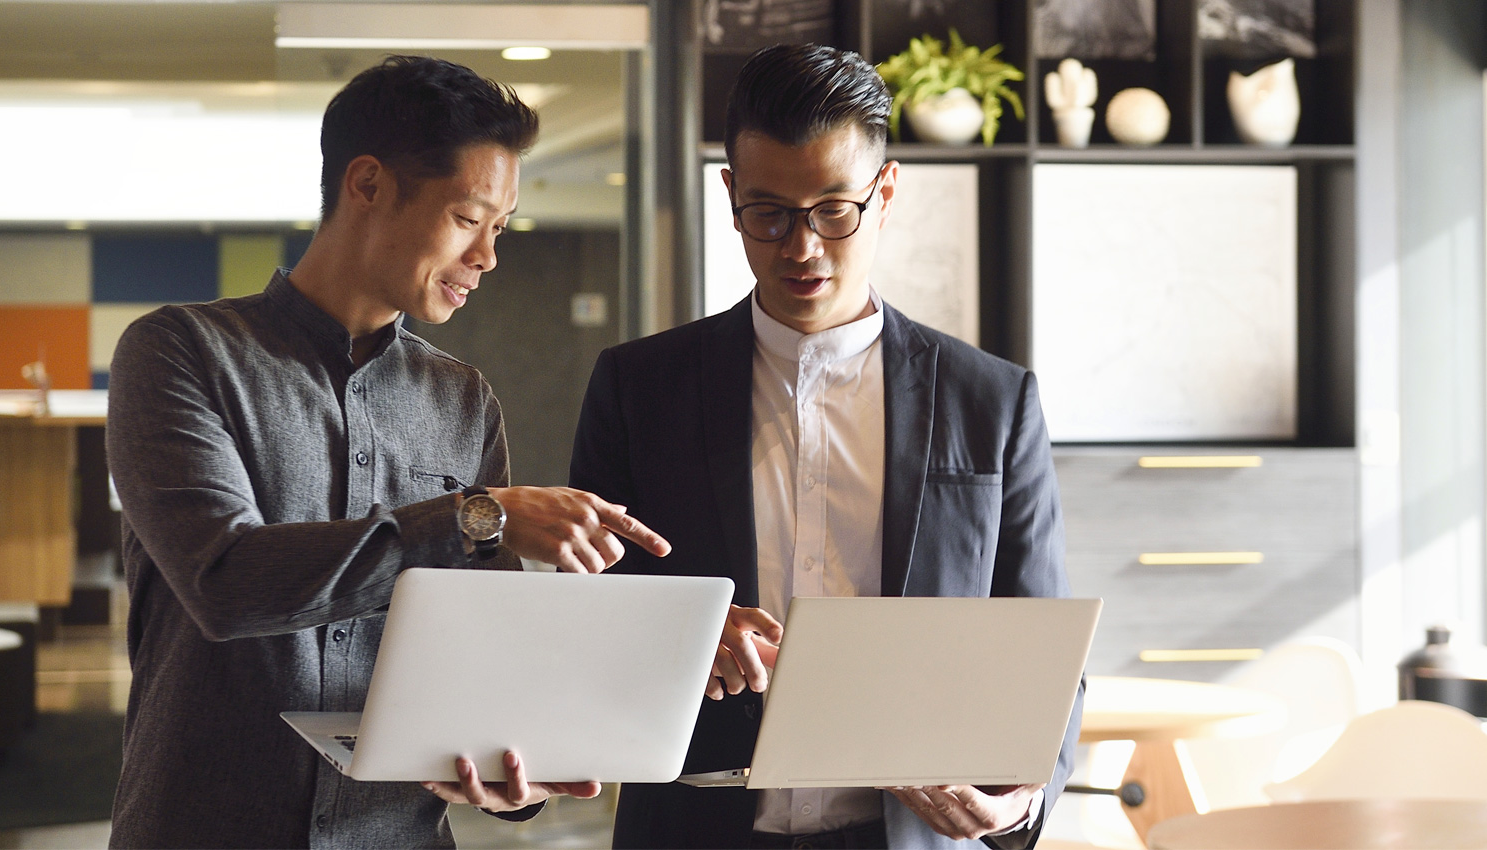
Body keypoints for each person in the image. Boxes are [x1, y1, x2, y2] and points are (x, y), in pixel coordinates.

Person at [105, 55, 669, 849]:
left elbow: (488, 656)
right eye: (469, 219)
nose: (488, 257)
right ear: (366, 185)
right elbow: (224, 583)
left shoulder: (463, 399)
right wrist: (479, 518)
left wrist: (517, 780)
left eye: (499, 229)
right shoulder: (179, 352)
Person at [569, 43, 1079, 849]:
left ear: (886, 193)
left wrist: (1020, 802)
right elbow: (584, 619)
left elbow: (1044, 642)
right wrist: (685, 633)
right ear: (730, 193)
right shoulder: (639, 388)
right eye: (768, 213)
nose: (801, 249)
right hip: (694, 830)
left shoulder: (992, 401)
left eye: (834, 211)